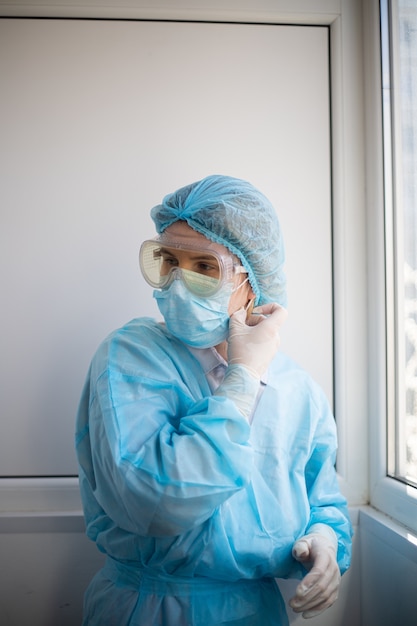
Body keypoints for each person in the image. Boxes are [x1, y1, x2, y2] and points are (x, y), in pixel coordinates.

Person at [75, 174, 353, 626]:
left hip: (256, 611)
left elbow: (321, 497)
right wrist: (242, 381)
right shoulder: (130, 357)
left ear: (252, 280)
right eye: (168, 261)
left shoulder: (297, 389)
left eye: (204, 268)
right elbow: (154, 499)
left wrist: (324, 540)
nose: (178, 285)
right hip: (148, 608)